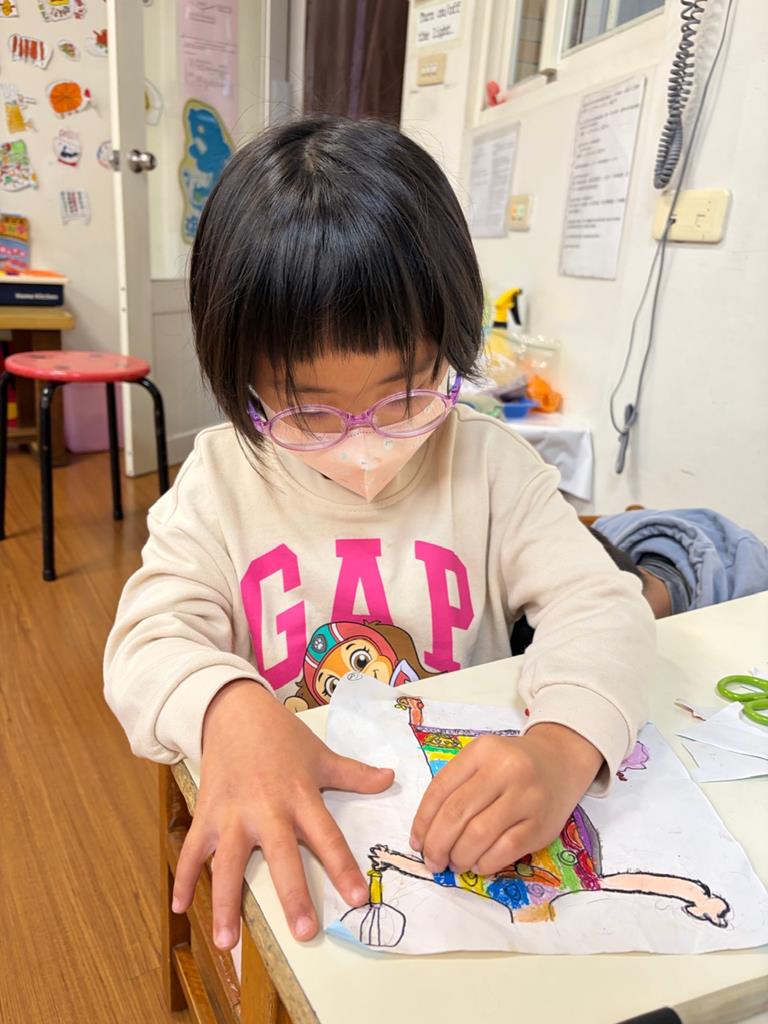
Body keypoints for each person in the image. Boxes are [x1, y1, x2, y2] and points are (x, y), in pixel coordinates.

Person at [103, 116, 654, 953]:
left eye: (405, 398)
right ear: (239, 380)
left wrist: (562, 745)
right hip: (301, 841)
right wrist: (227, 706)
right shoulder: (219, 482)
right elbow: (145, 641)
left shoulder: (489, 466)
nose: (365, 445)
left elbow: (603, 606)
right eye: (309, 411)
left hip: (468, 839)